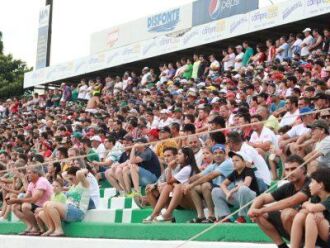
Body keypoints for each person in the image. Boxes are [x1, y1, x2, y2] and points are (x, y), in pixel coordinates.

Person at [248, 155, 311, 248]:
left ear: (303, 169)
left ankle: (298, 246)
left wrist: (262, 210)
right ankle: (282, 246)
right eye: (287, 169)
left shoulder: (311, 183)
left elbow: (290, 202)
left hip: (312, 228)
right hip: (293, 227)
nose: (290, 172)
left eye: (293, 168)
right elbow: (263, 198)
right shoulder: (288, 186)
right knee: (258, 215)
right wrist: (252, 210)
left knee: (287, 213)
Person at [144, 147, 200, 223]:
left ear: (175, 156)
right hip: (178, 196)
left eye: (168, 156)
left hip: (189, 199)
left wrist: (164, 184)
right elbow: (162, 181)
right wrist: (156, 185)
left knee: (168, 187)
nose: (166, 158)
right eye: (165, 156)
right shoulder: (171, 168)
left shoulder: (184, 168)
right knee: (151, 190)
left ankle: (166, 214)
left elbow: (170, 182)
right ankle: (157, 214)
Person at [183, 144, 233, 223]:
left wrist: (191, 184)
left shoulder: (227, 163)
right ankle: (201, 216)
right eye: (215, 153)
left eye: (220, 153)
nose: (218, 155)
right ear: (213, 155)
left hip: (229, 191)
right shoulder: (213, 166)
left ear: (225, 154)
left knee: (205, 185)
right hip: (218, 190)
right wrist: (186, 183)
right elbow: (199, 176)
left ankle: (211, 216)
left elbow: (209, 177)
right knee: (194, 188)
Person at [41, 167, 90, 237]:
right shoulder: (73, 185)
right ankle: (52, 228)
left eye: (71, 178)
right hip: (68, 210)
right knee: (45, 206)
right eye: (69, 179)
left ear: (78, 177)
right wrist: (71, 175)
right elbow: (64, 174)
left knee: (50, 205)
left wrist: (84, 170)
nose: (70, 180)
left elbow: (79, 173)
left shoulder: (84, 184)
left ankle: (59, 229)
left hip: (78, 212)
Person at [212, 151, 259, 223]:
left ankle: (242, 217)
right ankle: (226, 217)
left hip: (251, 199)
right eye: (233, 161)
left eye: (237, 160)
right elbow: (222, 184)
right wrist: (227, 193)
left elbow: (246, 183)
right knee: (215, 191)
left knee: (243, 189)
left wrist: (232, 191)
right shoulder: (234, 172)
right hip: (239, 198)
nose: (234, 163)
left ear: (244, 162)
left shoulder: (248, 170)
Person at [290, 167, 330, 248]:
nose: (309, 185)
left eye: (312, 182)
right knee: (300, 216)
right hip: (323, 234)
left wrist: (313, 208)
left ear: (320, 185)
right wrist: (313, 209)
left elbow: (312, 208)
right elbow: (304, 208)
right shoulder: (316, 197)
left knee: (311, 216)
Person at [7, 167, 53, 236]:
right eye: (27, 173)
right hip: (38, 205)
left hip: (46, 205)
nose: (27, 175)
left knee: (25, 206)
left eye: (29, 173)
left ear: (36, 174)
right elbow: (26, 197)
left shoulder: (42, 181)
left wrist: (17, 200)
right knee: (15, 207)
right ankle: (30, 226)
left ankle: (36, 228)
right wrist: (13, 201)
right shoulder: (31, 183)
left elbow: (34, 199)